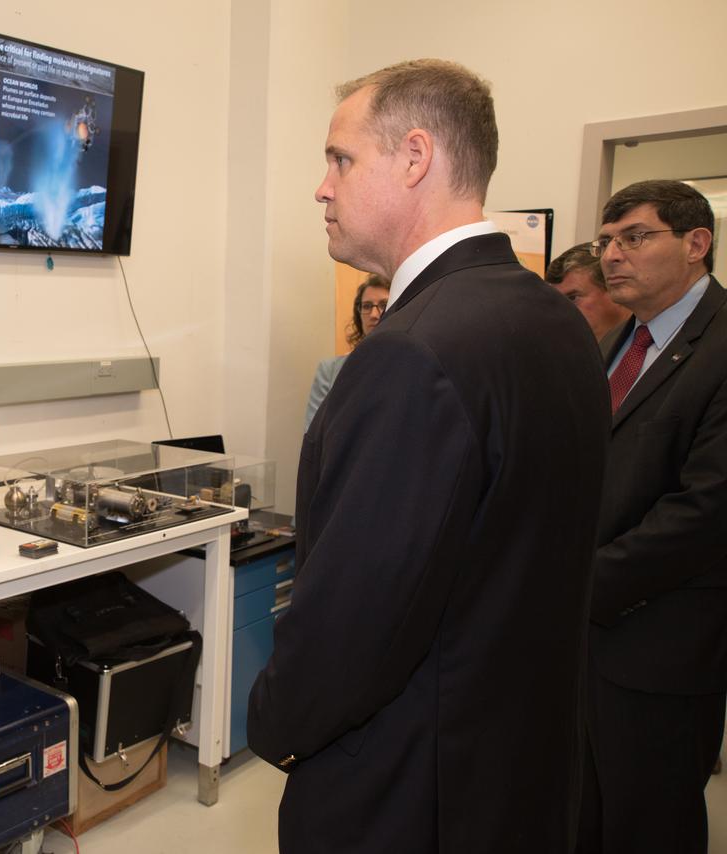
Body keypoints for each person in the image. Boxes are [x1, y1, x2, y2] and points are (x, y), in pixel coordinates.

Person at [247, 59, 610, 853]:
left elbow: (352, 625)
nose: (321, 186)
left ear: (415, 158)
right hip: (520, 773)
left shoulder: (411, 353)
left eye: (340, 158)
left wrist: (270, 721)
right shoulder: (556, 321)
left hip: (413, 792)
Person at [577, 179, 727, 854]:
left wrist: (578, 584)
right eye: (606, 241)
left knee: (651, 823)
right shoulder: (615, 343)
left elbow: (706, 509)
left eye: (634, 237)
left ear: (697, 244)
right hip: (584, 642)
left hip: (663, 647)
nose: (612, 255)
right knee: (584, 811)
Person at [303, 273, 389, 429]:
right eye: (367, 306)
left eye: (383, 305)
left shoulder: (411, 365)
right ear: (358, 313)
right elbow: (313, 434)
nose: (374, 314)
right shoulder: (330, 371)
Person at [547, 242, 629, 342]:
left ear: (616, 291)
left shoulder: (643, 350)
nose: (559, 314)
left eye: (572, 298)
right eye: (554, 303)